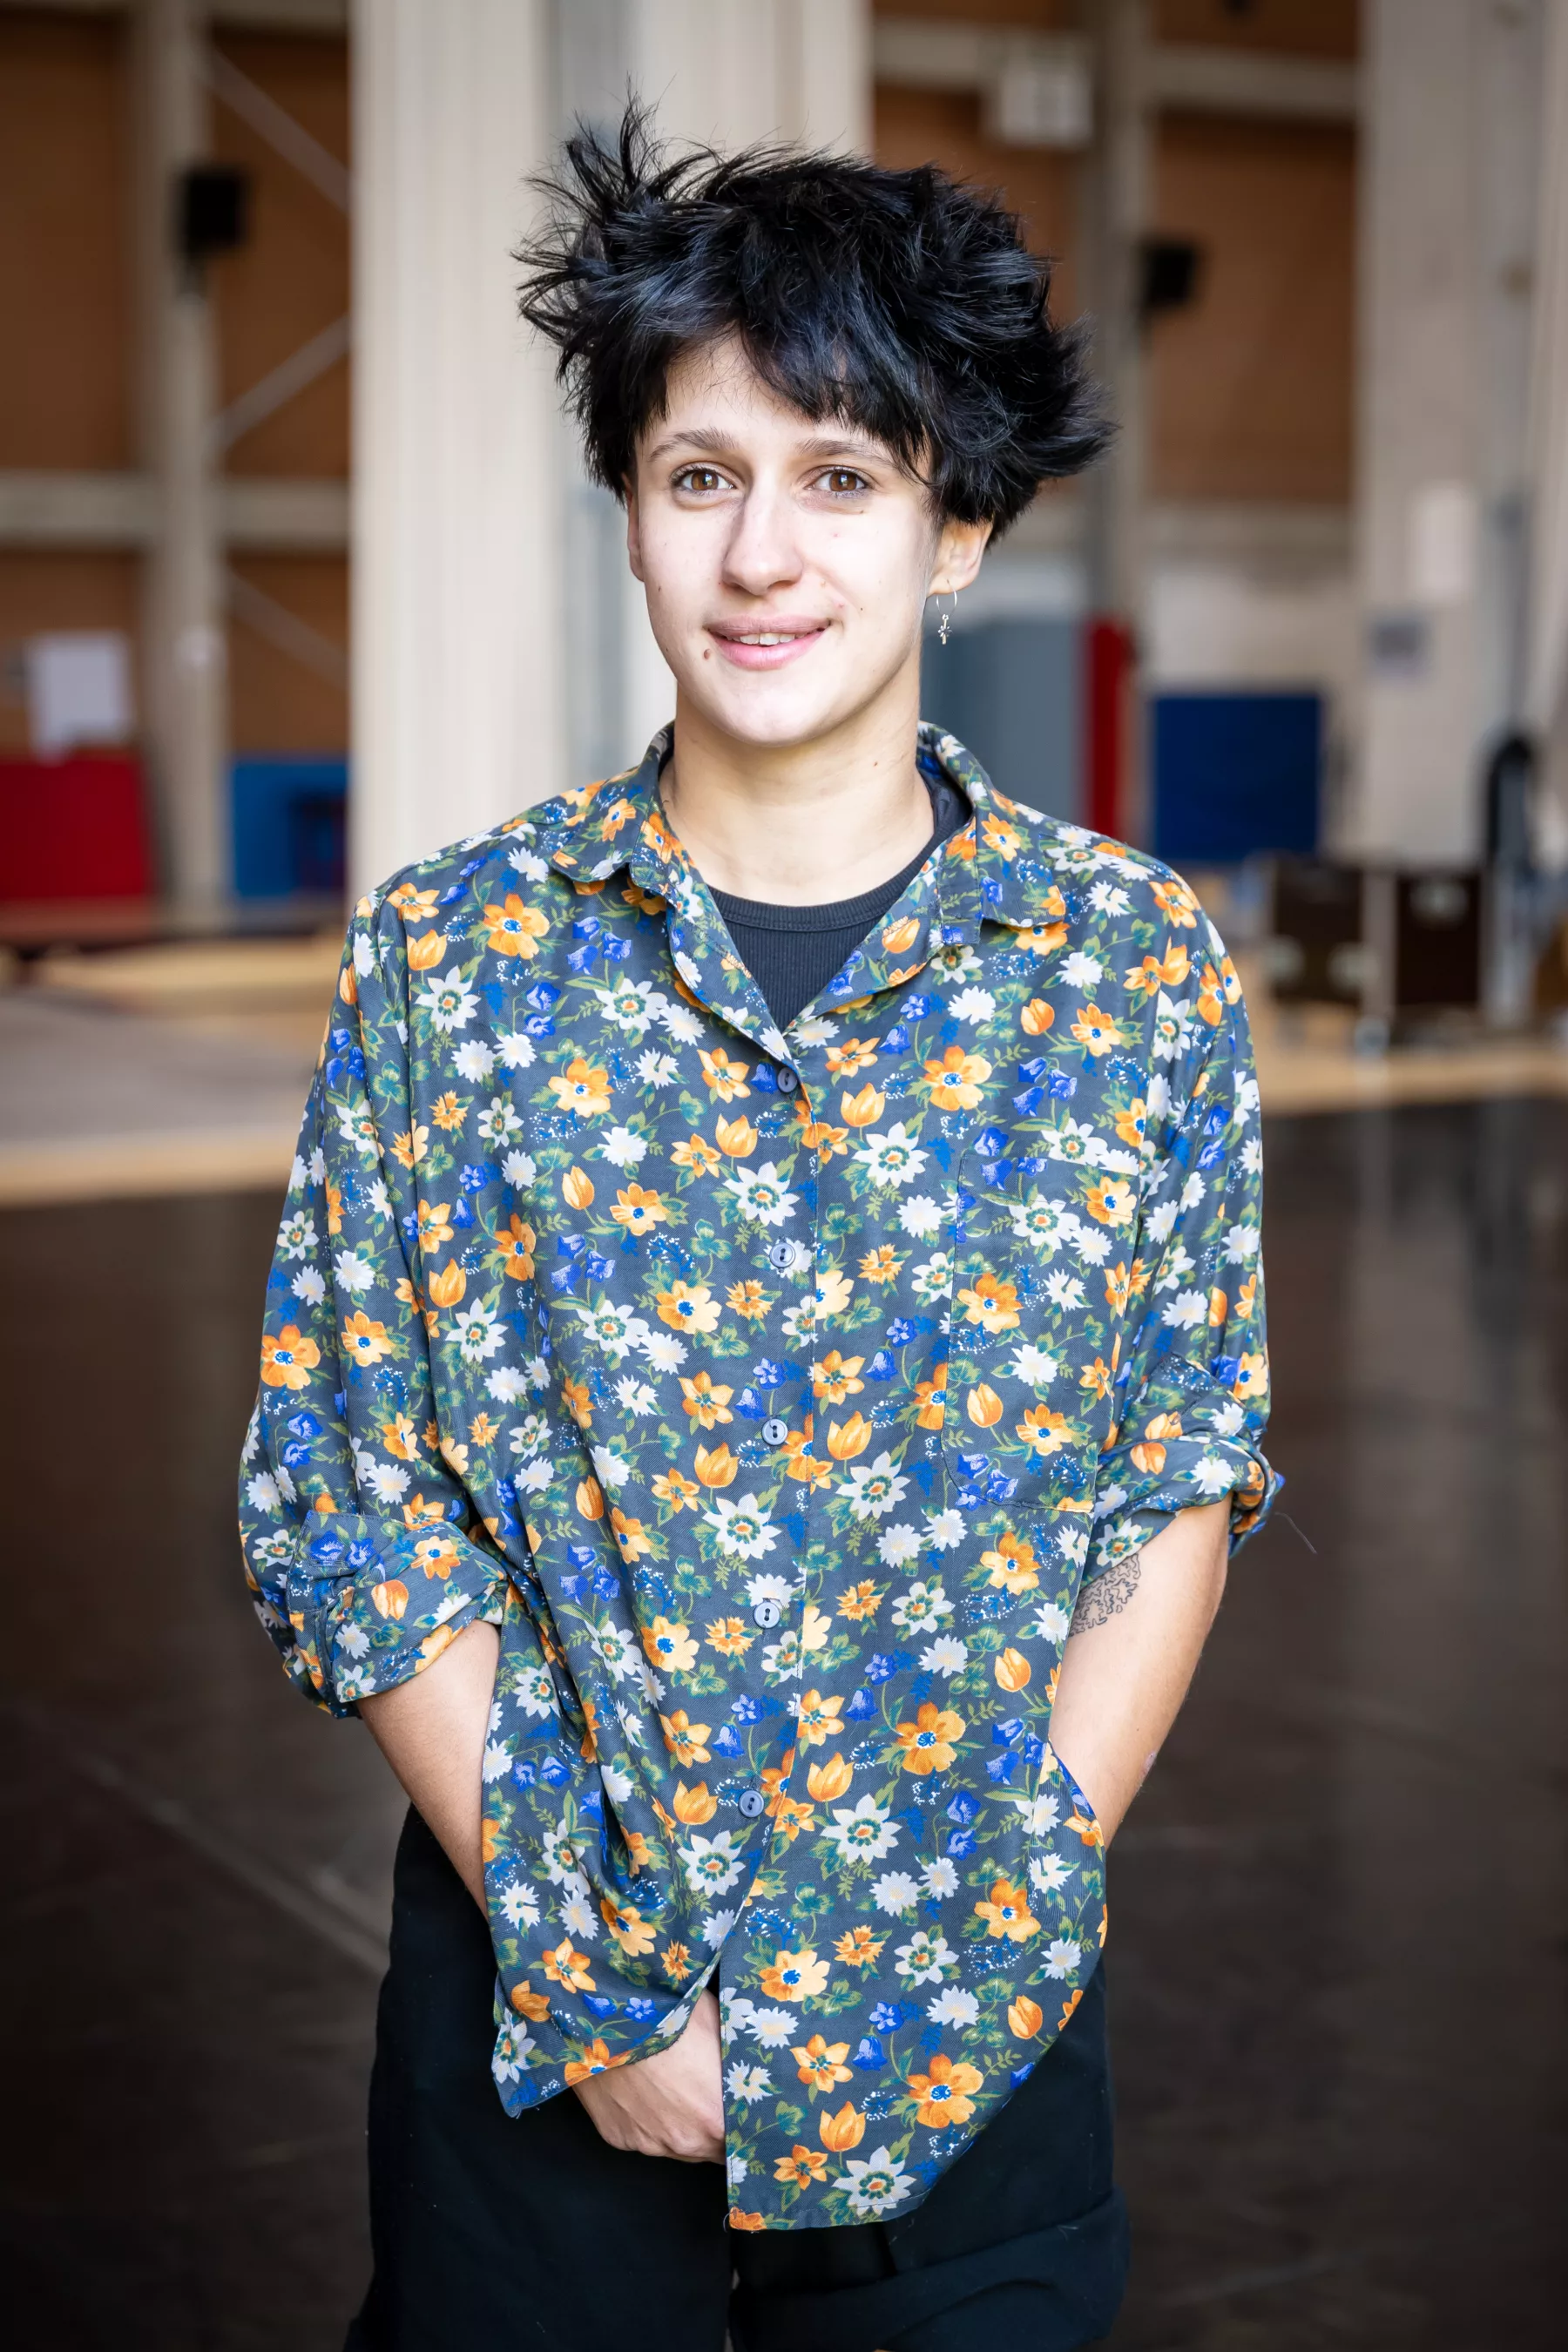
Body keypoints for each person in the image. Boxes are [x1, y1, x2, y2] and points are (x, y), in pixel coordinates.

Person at [239, 105, 1275, 2352]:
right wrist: (602, 1979)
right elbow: (349, 1495)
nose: (762, 556)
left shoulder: (1128, 972)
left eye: (842, 477)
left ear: (960, 520)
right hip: (535, 2057)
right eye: (700, 475)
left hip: (981, 2057)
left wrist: (979, 1937)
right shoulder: (453, 960)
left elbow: (1178, 1478)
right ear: (629, 512)